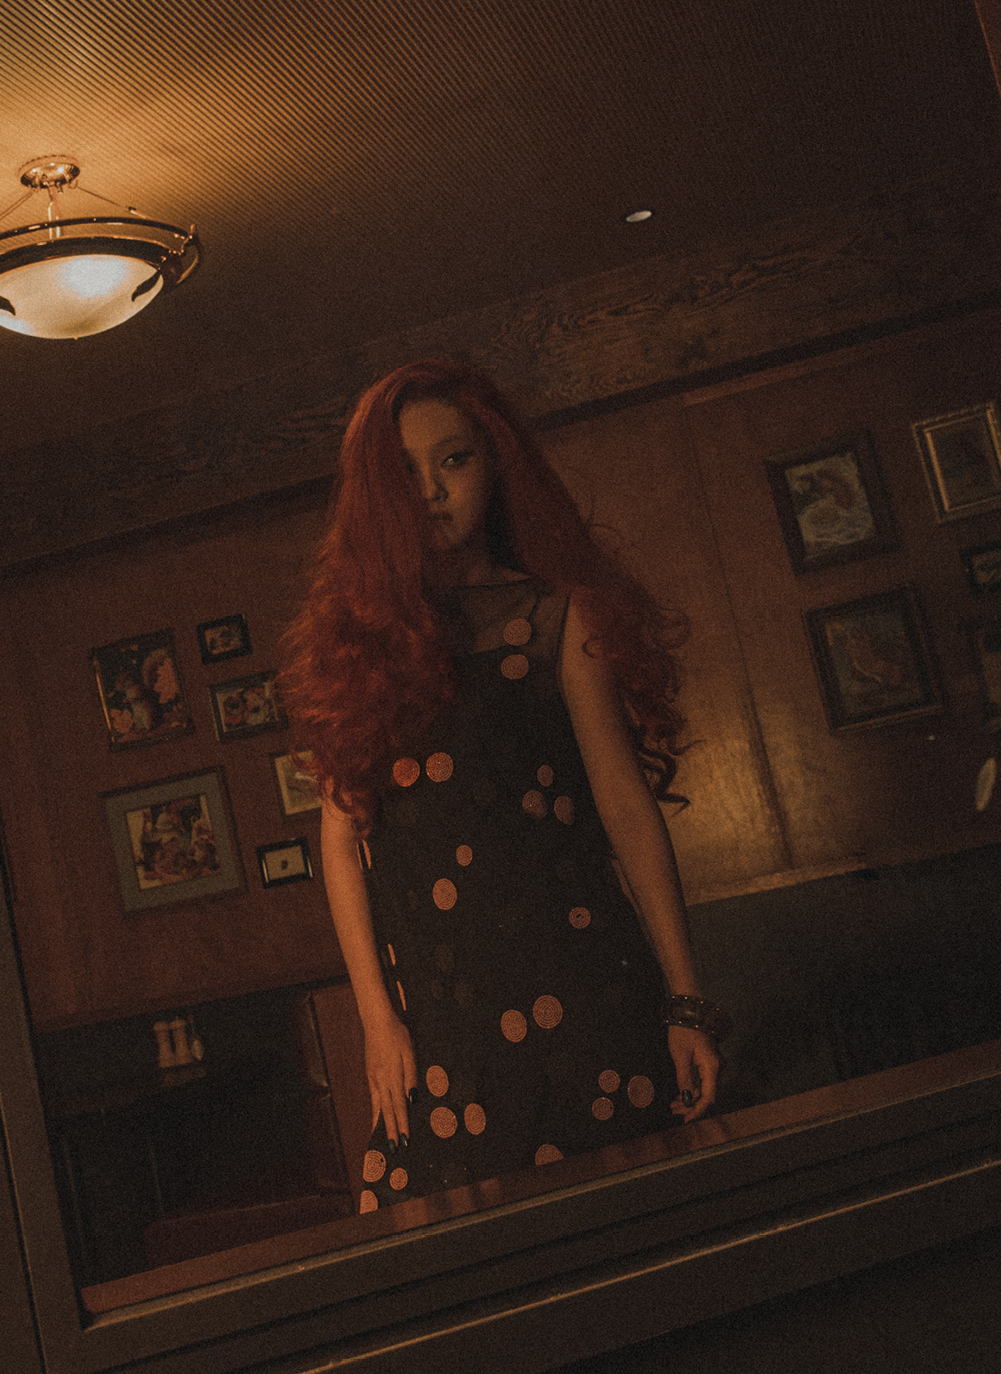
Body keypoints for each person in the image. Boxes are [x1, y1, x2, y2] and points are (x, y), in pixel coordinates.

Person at [279, 359, 726, 1213]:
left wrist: (685, 1001)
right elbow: (339, 842)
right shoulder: (357, 647)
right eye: (404, 474)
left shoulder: (555, 614)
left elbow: (624, 808)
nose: (431, 491)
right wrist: (376, 1020)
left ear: (493, 464)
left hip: (586, 983)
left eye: (453, 459)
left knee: (631, 1229)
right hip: (440, 1014)